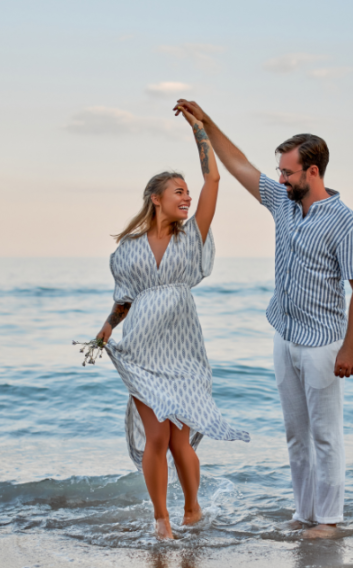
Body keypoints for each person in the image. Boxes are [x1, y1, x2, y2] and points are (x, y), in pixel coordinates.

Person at [174, 99, 353, 539]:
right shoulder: (283, 204)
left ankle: (329, 519)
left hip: (324, 342)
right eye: (280, 171)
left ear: (313, 172)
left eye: (288, 171)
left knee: (325, 436)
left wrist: (350, 346)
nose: (280, 178)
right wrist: (205, 124)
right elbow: (239, 164)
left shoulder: (345, 222)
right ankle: (304, 515)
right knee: (295, 436)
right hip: (285, 336)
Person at [95, 105, 249, 540]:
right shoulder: (129, 248)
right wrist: (107, 327)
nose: (186, 198)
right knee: (156, 439)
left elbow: (213, 180)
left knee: (182, 440)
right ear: (155, 199)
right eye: (177, 192)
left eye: (187, 192)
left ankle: (193, 509)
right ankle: (162, 520)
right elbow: (124, 300)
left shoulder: (193, 234)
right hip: (142, 350)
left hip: (184, 350)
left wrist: (199, 130)